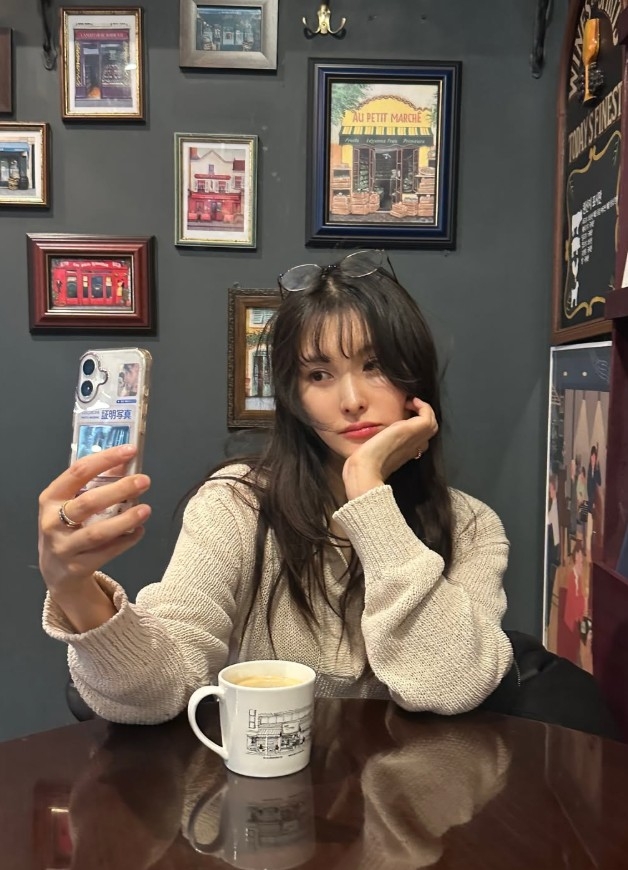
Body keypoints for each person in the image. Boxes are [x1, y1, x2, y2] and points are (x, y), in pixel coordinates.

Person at [38, 249, 514, 725]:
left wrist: (368, 492)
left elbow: (454, 683)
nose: (352, 401)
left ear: (416, 378)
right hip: (262, 769)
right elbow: (162, 689)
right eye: (319, 375)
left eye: (375, 365)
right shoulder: (235, 504)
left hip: (412, 774)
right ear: (294, 396)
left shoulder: (470, 526)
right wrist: (74, 589)